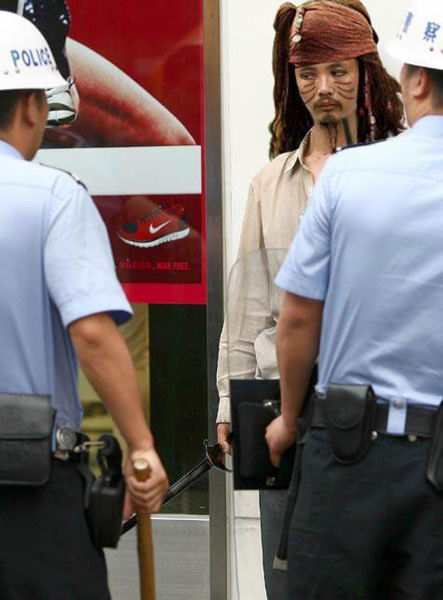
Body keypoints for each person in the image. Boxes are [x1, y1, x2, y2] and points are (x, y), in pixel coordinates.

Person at [215, 1, 403, 597]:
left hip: (382, 412)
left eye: (339, 71)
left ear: (366, 71)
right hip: (283, 413)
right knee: (290, 577)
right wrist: (229, 401)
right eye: (306, 74)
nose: (323, 88)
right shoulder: (271, 182)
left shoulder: (405, 171)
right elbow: (247, 307)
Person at [266, 0, 443, 597]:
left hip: (347, 446)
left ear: (412, 80)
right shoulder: (280, 179)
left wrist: (289, 419)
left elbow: (297, 319)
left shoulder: (347, 175)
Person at [0, 10, 168, 599]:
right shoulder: (53, 197)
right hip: (28, 484)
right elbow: (92, 333)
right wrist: (141, 446)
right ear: (32, 106)